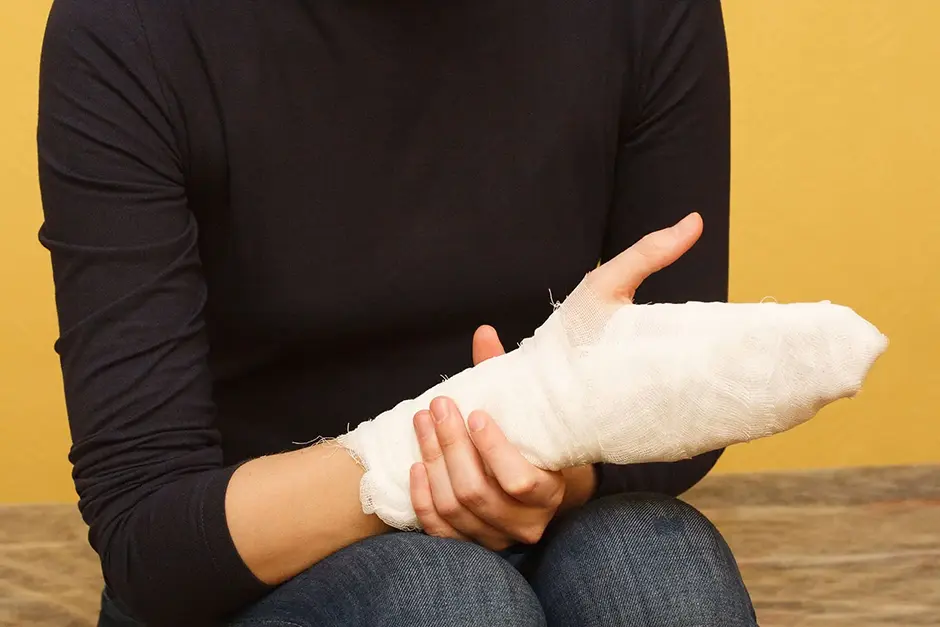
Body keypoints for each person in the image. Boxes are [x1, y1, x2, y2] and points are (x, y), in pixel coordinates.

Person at [37, 0, 755, 624]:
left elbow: (679, 404)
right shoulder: (130, 26)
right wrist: (424, 470)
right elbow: (148, 534)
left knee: (664, 575)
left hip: (543, 512)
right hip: (244, 572)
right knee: (443, 601)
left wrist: (531, 478)